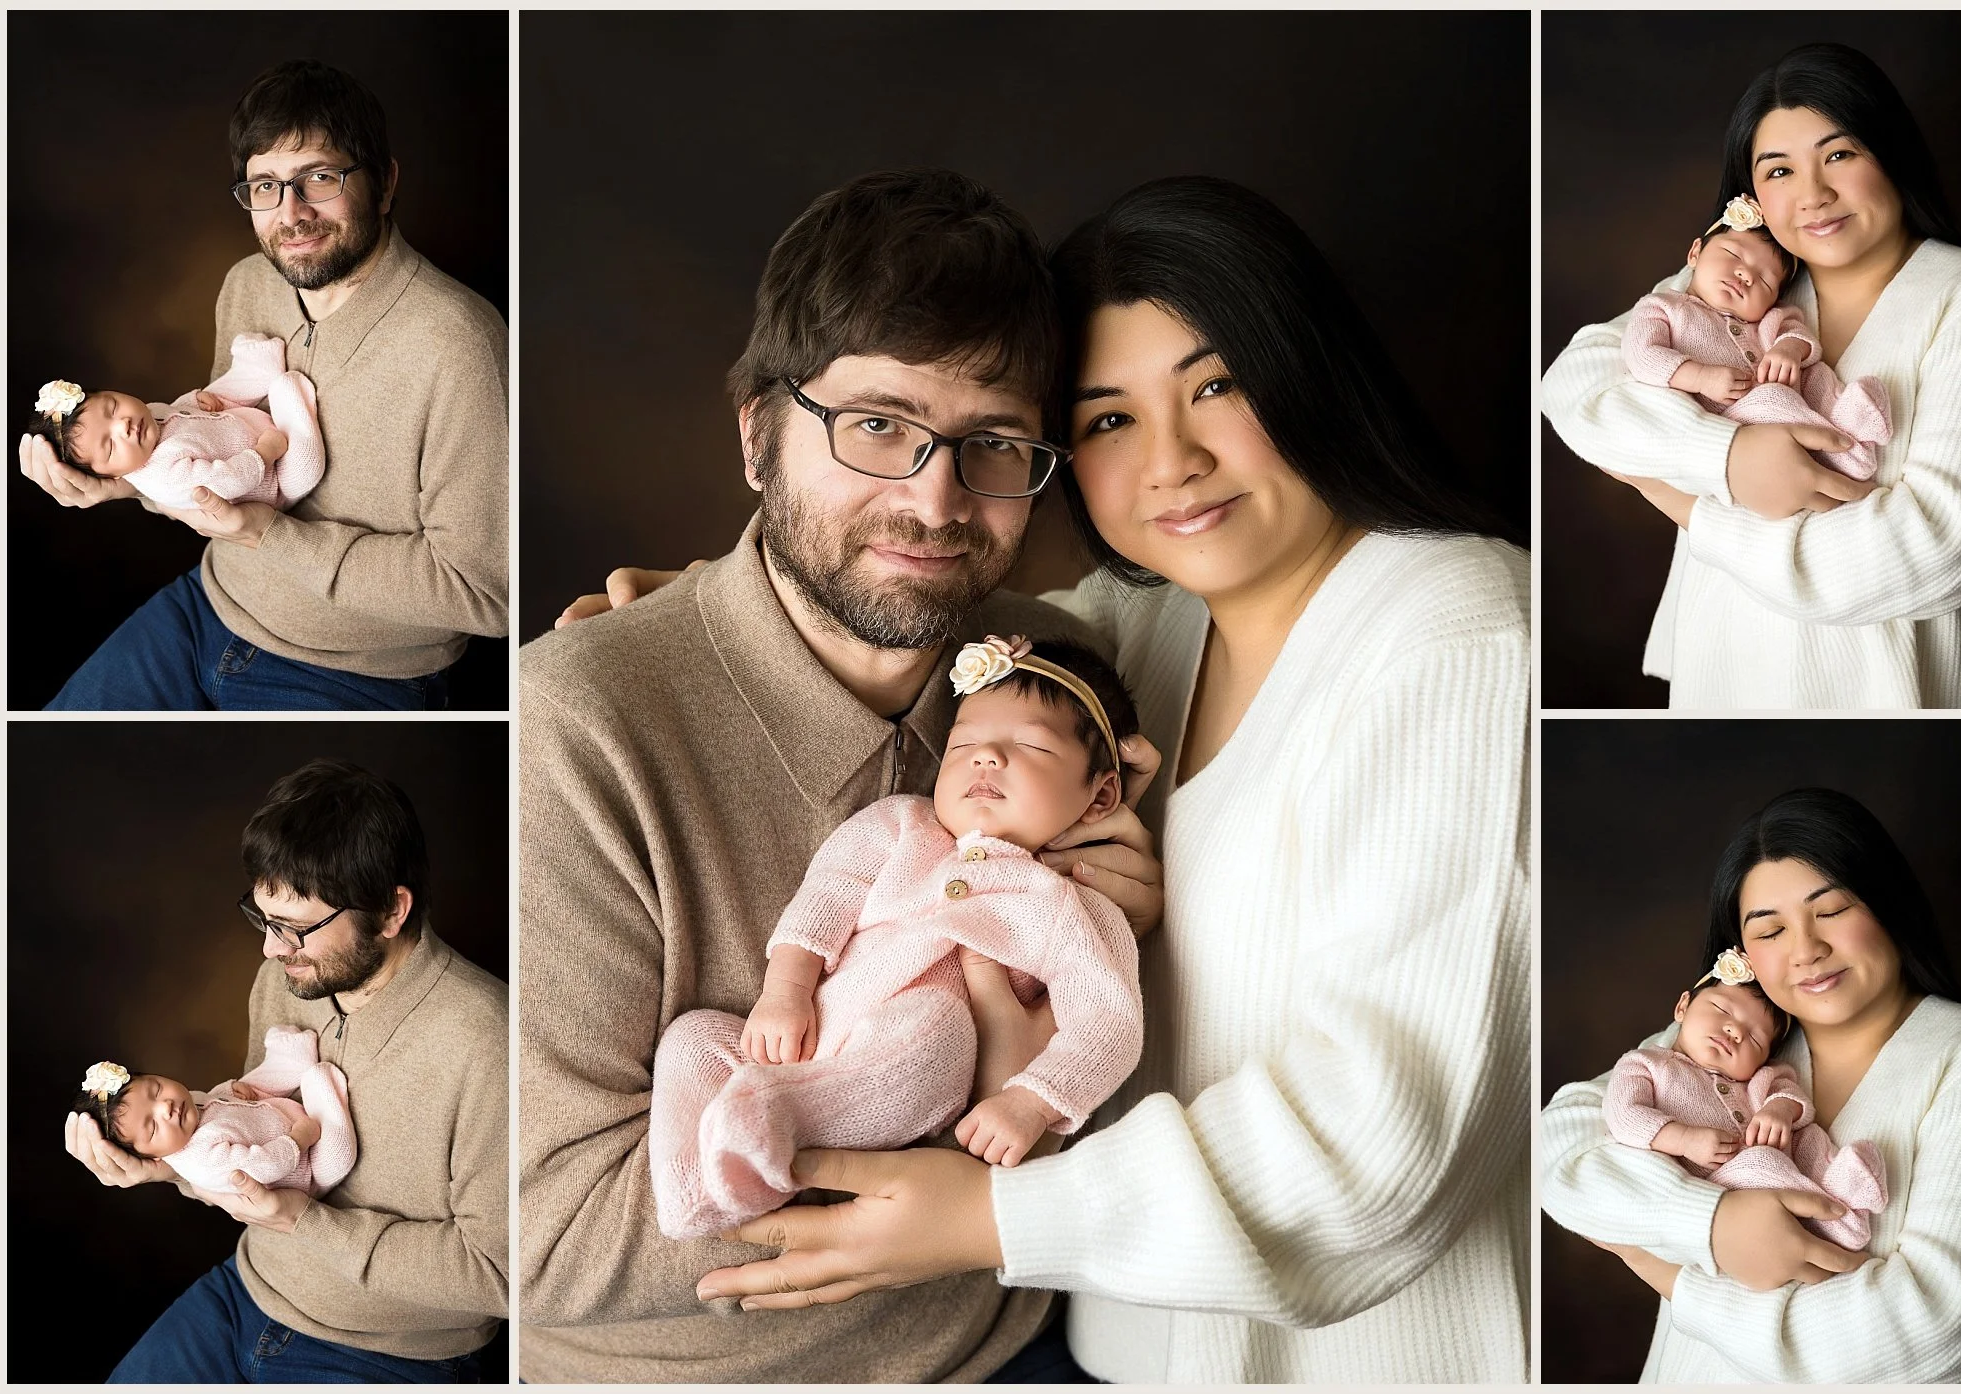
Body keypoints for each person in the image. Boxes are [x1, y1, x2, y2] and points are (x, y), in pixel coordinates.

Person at [565, 175, 1531, 1383]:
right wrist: (715, 610)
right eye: (1109, 419)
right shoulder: (1148, 632)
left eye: (1216, 385)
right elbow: (921, 611)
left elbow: (1384, 1137)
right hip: (1119, 1349)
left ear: (1308, 370)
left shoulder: (1456, 637)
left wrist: (989, 1217)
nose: (1172, 463)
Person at [519, 168, 1163, 1384]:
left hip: (1013, 1345)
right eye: (875, 425)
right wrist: (963, 1191)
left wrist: (1117, 936)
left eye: (991, 443)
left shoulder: (1051, 673)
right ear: (756, 434)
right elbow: (546, 1234)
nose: (932, 499)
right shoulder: (576, 725)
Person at [1543, 43, 1961, 709]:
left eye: (1840, 154)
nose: (1813, 195)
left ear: (1890, 153)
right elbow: (1574, 383)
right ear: (1751, 198)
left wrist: (1683, 501)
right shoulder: (1739, 287)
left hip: (1897, 690)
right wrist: (1728, 457)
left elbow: (1935, 551)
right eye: (1779, 170)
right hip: (1728, 670)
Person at [20, 59, 508, 710]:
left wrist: (269, 536)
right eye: (266, 186)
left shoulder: (459, 344)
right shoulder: (247, 284)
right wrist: (126, 483)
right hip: (207, 607)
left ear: (385, 183)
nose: (291, 213)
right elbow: (208, 456)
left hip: (354, 672)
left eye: (320, 177)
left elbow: (486, 593)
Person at [651, 635, 1143, 1239]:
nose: (986, 757)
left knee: (936, 1024)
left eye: (1032, 745)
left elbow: (1108, 1022)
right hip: (806, 1033)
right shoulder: (900, 824)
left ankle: (785, 1116)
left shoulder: (1071, 907)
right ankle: (695, 1191)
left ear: (1100, 796)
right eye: (963, 744)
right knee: (694, 1038)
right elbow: (824, 900)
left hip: (917, 1069)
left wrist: (1030, 1102)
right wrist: (786, 992)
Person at [1542, 788, 1961, 1382]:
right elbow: (1559, 1144)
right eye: (1770, 930)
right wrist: (1711, 1224)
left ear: (1888, 904)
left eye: (1832, 910)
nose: (1807, 950)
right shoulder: (1733, 1041)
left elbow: (1932, 1330)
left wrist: (1670, 1274)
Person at [61, 758, 509, 1382]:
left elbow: (498, 1274)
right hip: (247, 1290)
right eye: (264, 919)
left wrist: (304, 1221)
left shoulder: (488, 1043)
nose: (271, 949)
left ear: (390, 911)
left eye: (296, 929)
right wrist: (165, 1167)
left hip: (388, 1354)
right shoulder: (286, 976)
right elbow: (241, 1143)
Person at [1599, 949, 1886, 1250]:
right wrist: (1684, 1140)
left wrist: (1780, 1109)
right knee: (1760, 1161)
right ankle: (1838, 1223)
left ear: (1763, 1058)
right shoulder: (1646, 1064)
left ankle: (1843, 1183)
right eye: (1721, 1010)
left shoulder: (1755, 1079)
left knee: (1809, 1139)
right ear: (1682, 1007)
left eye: (1755, 1039)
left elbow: (1790, 1093)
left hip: (1780, 1167)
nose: (1734, 1031)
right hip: (1723, 1191)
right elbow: (1624, 1115)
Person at [1621, 196, 1889, 479]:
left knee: (1816, 376)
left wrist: (1789, 349)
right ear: (1695, 253)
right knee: (1772, 398)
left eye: (1764, 281)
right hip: (1736, 426)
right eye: (1733, 254)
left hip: (1791, 402)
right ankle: (1845, 456)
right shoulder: (1663, 307)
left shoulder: (1765, 320)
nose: (1745, 275)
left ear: (1773, 299)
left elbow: (1796, 331)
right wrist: (1700, 378)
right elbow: (1642, 354)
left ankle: (1850, 417)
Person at [29, 333, 325, 510]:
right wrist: (266, 453)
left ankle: (258, 364)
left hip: (234, 423)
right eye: (110, 447)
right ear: (113, 478)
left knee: (217, 393)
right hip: (274, 478)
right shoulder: (164, 479)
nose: (123, 425)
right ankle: (289, 403)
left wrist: (196, 401)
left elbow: (175, 411)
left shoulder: (148, 416)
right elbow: (227, 481)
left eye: (113, 407)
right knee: (304, 463)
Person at [73, 1029, 357, 1197]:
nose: (165, 1107)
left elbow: (211, 1100)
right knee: (338, 1155)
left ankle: (290, 1055)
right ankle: (321, 1092)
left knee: (251, 1084)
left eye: (156, 1089)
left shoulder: (188, 1107)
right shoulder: (201, 1162)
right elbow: (264, 1166)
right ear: (153, 1158)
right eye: (153, 1127)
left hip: (267, 1114)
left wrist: (231, 1090)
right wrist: (299, 1140)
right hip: (305, 1167)